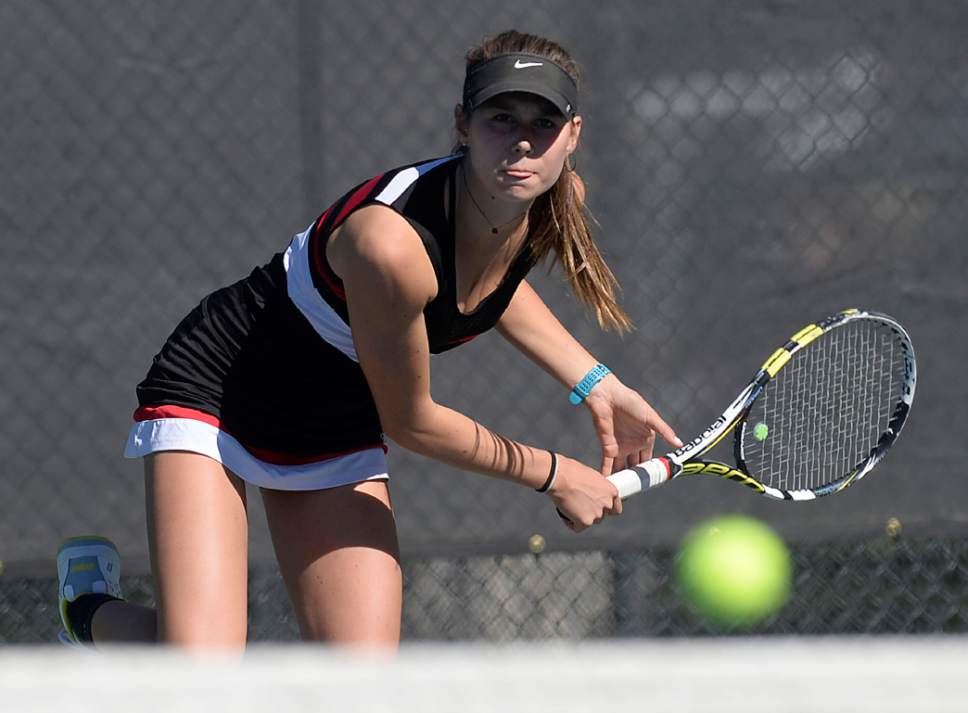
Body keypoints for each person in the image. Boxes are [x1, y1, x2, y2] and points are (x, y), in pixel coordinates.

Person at [56, 29, 681, 650]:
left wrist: (598, 383)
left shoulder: (549, 196)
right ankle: (85, 612)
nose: (521, 140)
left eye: (543, 123)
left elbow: (492, 283)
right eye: (500, 117)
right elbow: (413, 423)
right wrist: (554, 474)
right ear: (462, 124)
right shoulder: (389, 245)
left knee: (360, 682)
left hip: (333, 412)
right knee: (203, 674)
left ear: (573, 134)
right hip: (222, 389)